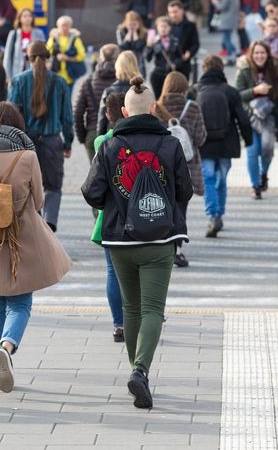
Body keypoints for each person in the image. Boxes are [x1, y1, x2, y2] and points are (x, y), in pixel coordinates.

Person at [81, 77, 193, 410]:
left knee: (131, 309)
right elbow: (184, 190)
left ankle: (136, 371)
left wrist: (118, 203)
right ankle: (140, 371)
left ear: (125, 111)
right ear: (153, 108)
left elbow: (91, 192)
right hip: (161, 238)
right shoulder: (170, 144)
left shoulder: (111, 145)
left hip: (120, 239)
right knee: (153, 309)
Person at [0, 102, 71, 393]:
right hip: (19, 236)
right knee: (20, 302)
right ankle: (7, 346)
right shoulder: (27, 155)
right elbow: (38, 200)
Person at [8, 41, 73, 232]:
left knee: (28, 186)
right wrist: (68, 142)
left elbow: (11, 116)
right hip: (52, 141)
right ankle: (49, 222)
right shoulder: (60, 82)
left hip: (25, 142)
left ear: (28, 58)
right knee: (53, 186)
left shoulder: (18, 81)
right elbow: (67, 117)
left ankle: (33, 224)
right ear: (48, 57)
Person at [190, 55, 251, 236]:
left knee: (207, 177)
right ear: (222, 69)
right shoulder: (231, 92)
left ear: (204, 68)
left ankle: (213, 215)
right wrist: (248, 141)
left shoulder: (194, 91)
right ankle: (220, 213)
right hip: (227, 142)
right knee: (221, 179)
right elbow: (243, 119)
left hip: (204, 142)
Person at [156, 72, 206, 267]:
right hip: (186, 167)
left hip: (161, 167)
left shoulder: (156, 108)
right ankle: (178, 249)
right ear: (185, 88)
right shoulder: (192, 108)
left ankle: (162, 246)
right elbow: (201, 138)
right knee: (181, 209)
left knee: (162, 207)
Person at [91, 92, 127, 342]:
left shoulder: (101, 141)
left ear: (107, 115)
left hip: (109, 218)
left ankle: (118, 324)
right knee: (135, 273)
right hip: (138, 215)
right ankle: (139, 317)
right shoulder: (137, 139)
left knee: (112, 272)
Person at [235, 41, 278, 199]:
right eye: (256, 53)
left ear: (267, 54)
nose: (259, 56)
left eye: (262, 53)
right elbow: (237, 95)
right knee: (253, 152)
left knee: (267, 150)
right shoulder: (245, 70)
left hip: (268, 118)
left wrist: (271, 94)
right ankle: (256, 186)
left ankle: (264, 174)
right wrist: (255, 91)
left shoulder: (274, 71)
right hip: (250, 117)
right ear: (251, 55)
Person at [75, 44, 118, 162]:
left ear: (100, 57)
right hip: (117, 133)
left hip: (93, 133)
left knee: (96, 174)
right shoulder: (121, 81)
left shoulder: (88, 82)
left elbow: (78, 113)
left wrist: (82, 137)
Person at [100, 50, 143, 135]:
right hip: (138, 135)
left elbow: (102, 121)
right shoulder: (142, 90)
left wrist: (100, 142)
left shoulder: (109, 91)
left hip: (115, 136)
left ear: (118, 67)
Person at [46, 15, 87, 98]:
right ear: (58, 26)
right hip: (56, 73)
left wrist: (67, 58)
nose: (64, 28)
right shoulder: (53, 38)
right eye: (62, 25)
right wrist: (48, 62)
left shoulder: (75, 39)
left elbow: (82, 56)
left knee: (67, 98)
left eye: (66, 25)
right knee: (56, 97)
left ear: (70, 26)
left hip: (69, 75)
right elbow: (47, 52)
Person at [3, 9, 46, 81]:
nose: (27, 18)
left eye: (30, 16)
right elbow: (7, 55)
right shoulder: (14, 34)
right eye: (24, 16)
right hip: (17, 70)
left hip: (34, 71)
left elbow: (44, 53)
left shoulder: (39, 33)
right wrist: (7, 74)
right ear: (19, 19)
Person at [146, 16, 183, 96]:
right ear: (157, 28)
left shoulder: (175, 41)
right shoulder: (155, 41)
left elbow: (180, 58)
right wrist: (149, 47)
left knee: (171, 96)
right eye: (161, 26)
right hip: (158, 74)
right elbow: (148, 58)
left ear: (170, 28)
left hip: (171, 74)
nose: (163, 29)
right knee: (158, 97)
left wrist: (175, 64)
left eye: (165, 26)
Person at [213, 0, 241, 64]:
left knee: (226, 39)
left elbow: (223, 6)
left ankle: (232, 55)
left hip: (226, 18)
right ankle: (235, 53)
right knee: (227, 38)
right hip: (233, 18)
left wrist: (215, 3)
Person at [166, 1, 200, 80]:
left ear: (182, 10)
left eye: (175, 12)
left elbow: (195, 43)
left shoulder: (190, 26)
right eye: (170, 12)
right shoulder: (167, 25)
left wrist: (190, 52)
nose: (173, 15)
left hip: (183, 60)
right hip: (168, 60)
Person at [116, 11, 148, 75]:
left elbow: (139, 47)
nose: (132, 26)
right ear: (126, 23)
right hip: (125, 59)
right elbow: (122, 47)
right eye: (130, 24)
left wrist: (135, 35)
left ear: (139, 23)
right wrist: (128, 36)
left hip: (138, 60)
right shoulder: (121, 31)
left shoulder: (143, 32)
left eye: (134, 24)